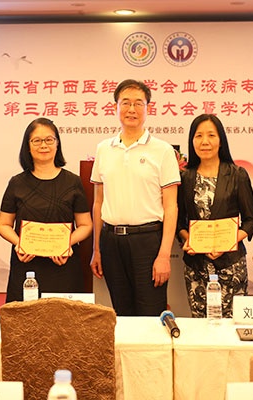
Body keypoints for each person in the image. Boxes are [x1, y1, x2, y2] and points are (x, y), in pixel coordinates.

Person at [90, 79, 181, 316]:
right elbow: (98, 203)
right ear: (115, 107)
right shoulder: (103, 149)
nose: (132, 109)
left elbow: (171, 207)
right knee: (121, 314)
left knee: (151, 314)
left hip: (147, 242)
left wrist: (164, 255)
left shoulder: (162, 150)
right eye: (126, 103)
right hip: (111, 242)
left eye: (138, 103)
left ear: (148, 108)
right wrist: (97, 250)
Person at [0, 118, 93, 302]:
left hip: (63, 263)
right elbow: (3, 224)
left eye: (49, 139)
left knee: (65, 317)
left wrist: (66, 245)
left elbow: (85, 225)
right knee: (25, 317)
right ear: (28, 146)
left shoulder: (72, 181)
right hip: (26, 264)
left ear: (57, 144)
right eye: (37, 140)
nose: (44, 145)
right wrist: (19, 244)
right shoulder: (17, 182)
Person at [176, 114, 253, 318]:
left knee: (232, 323)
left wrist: (226, 243)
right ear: (192, 141)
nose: (205, 141)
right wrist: (189, 239)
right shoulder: (185, 177)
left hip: (230, 264)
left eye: (211, 135)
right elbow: (178, 223)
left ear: (221, 140)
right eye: (198, 136)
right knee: (200, 323)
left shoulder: (237, 174)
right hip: (196, 266)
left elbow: (250, 221)